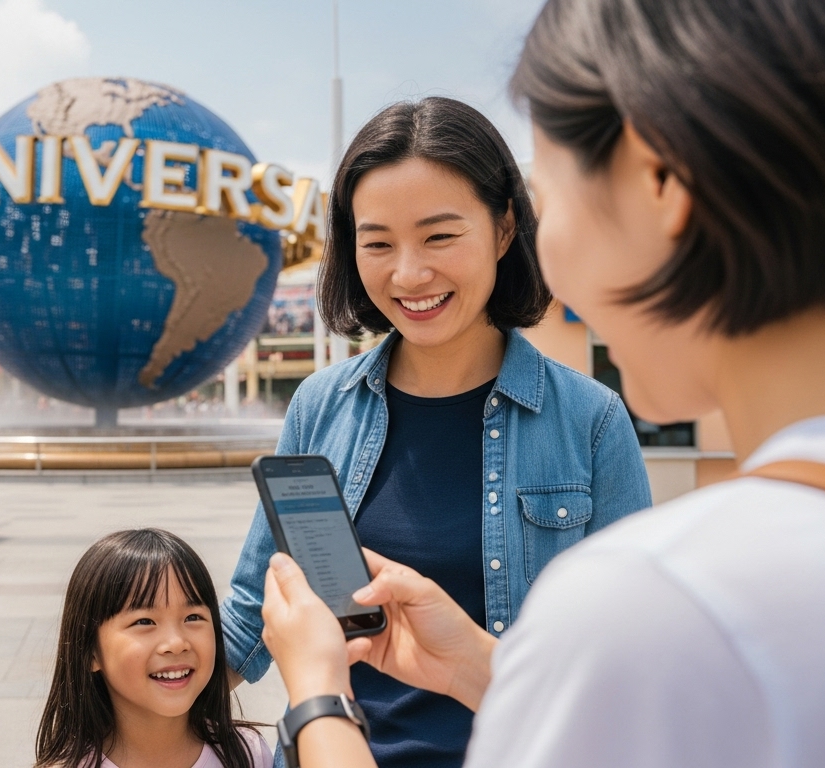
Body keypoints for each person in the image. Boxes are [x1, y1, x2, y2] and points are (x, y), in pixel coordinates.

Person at [258, 0, 825, 766]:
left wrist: (316, 696)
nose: (548, 246)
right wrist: (480, 666)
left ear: (658, 178)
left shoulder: (658, 607)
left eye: (549, 195)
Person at [221, 96, 652, 767]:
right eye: (378, 243)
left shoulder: (591, 420)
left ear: (505, 228)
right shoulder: (319, 406)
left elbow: (630, 653)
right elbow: (253, 608)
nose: (409, 273)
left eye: (440, 236)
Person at [35, 528, 272, 768]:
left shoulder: (248, 754)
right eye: (144, 622)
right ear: (90, 652)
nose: (176, 643)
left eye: (192, 617)